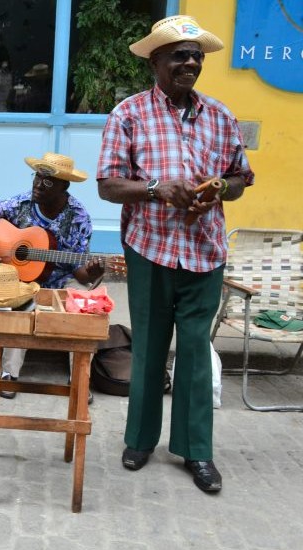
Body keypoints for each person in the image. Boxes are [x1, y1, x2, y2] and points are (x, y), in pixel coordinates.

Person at [97, 15, 253, 494]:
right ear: (156, 61)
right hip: (150, 250)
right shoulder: (129, 114)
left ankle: (196, 451)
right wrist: (159, 188)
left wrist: (219, 188)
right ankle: (140, 440)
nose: (190, 63)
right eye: (179, 55)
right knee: (147, 348)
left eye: (196, 56)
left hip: (205, 253)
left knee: (195, 353)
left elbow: (240, 178)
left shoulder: (221, 117)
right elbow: (107, 185)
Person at [0, 153, 103, 400]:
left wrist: (93, 272)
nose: (38, 185)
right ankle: (9, 374)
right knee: (20, 303)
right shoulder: (20, 203)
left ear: (64, 186)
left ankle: (81, 378)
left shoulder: (78, 218)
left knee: (84, 305)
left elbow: (81, 274)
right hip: (21, 278)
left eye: (47, 182)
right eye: (37, 178)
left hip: (60, 279)